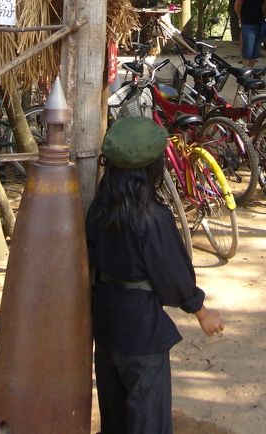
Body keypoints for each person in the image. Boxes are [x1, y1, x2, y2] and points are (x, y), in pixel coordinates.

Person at [86, 116, 224, 434]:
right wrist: (200, 310)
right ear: (153, 169)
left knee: (115, 419)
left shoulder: (98, 208)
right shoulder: (152, 217)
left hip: (106, 325)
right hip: (141, 332)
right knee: (149, 422)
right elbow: (173, 274)